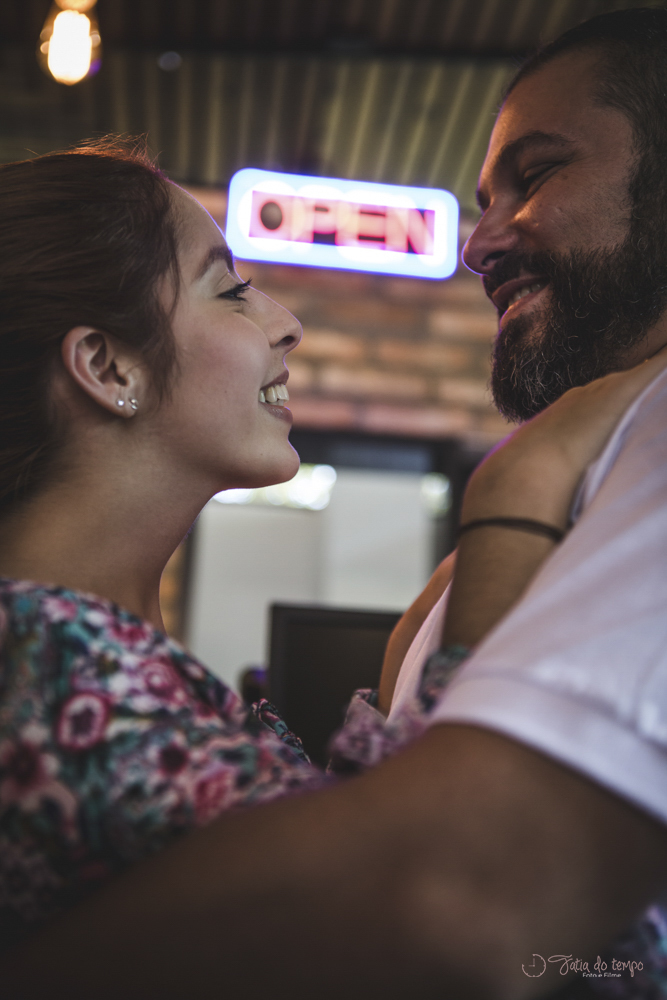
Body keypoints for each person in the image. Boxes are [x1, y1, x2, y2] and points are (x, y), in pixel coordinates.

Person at [2, 7, 667, 996]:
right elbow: (436, 911)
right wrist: (517, 492)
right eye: (230, 290)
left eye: (537, 175)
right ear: (104, 364)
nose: (289, 324)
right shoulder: (41, 653)